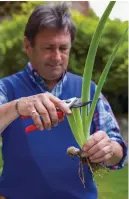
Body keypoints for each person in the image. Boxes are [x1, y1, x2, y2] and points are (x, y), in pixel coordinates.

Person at [0, 2, 127, 199]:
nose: (57, 57)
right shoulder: (6, 88)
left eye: (64, 48)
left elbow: (118, 150)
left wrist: (108, 149)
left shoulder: (89, 90)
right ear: (28, 46)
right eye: (48, 48)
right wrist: (17, 106)